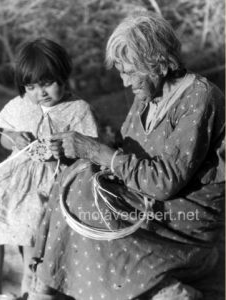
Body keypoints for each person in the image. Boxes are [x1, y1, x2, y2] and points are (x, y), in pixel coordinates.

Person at [30, 11, 225, 300]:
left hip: (182, 221)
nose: (124, 82)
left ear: (157, 63)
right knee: (76, 179)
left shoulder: (199, 97)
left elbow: (164, 182)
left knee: (86, 200)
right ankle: (45, 288)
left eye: (130, 71)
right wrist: (78, 153)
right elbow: (125, 155)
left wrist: (98, 152)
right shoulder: (146, 98)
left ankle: (168, 290)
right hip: (149, 204)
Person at [0, 38, 98, 298]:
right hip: (12, 176)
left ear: (63, 77)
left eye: (46, 84)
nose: (39, 93)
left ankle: (29, 290)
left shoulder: (77, 109)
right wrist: (14, 138)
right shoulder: (20, 105)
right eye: (30, 87)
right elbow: (3, 136)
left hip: (49, 180)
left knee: (34, 222)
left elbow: (90, 149)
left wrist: (63, 152)